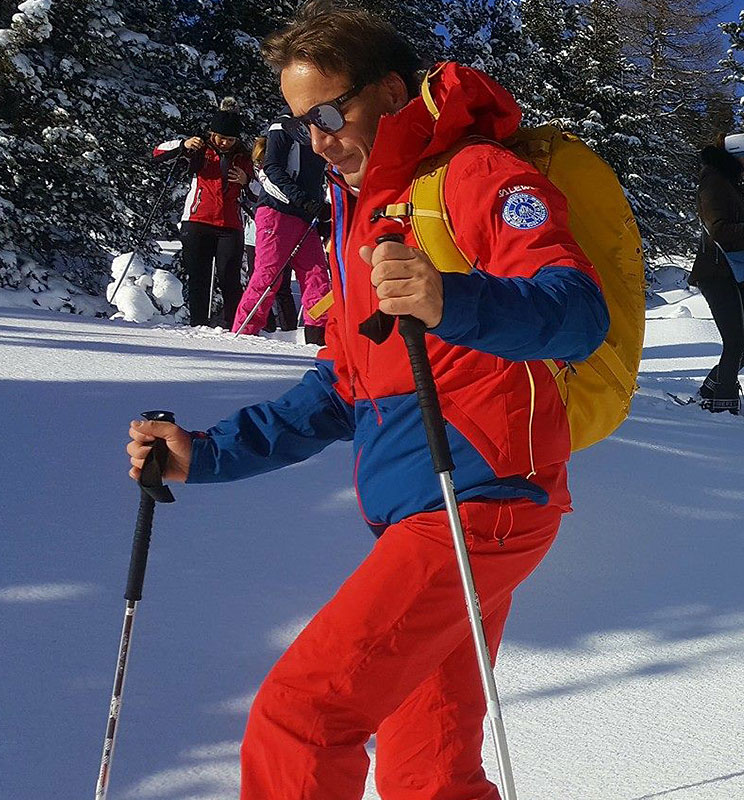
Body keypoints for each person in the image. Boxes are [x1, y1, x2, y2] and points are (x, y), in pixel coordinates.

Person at [123, 5, 609, 798]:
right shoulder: (362, 216)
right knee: (429, 768)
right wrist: (205, 454)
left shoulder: (475, 178)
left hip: (476, 504)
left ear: (388, 92)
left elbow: (579, 312)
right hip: (430, 511)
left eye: (327, 112)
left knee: (302, 717)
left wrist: (452, 299)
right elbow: (345, 387)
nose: (316, 140)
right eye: (298, 122)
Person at [152, 101, 253, 327]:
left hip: (230, 225)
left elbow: (257, 192)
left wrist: (247, 181)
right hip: (197, 221)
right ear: (212, 134)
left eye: (230, 139)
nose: (225, 143)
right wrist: (182, 144)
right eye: (220, 138)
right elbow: (157, 152)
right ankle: (198, 325)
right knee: (199, 277)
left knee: (230, 277)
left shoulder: (244, 158)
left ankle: (233, 325)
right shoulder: (200, 149)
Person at [232, 115, 331, 344]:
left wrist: (319, 208)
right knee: (269, 275)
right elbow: (273, 170)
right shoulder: (285, 123)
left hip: (306, 216)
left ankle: (318, 337)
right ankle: (243, 333)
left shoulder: (322, 123)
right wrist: (305, 201)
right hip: (277, 210)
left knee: (317, 276)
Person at [691, 132, 744, 413]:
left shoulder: (728, 183)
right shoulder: (714, 182)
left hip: (729, 270)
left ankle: (712, 389)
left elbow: (734, 234)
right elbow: (720, 231)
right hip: (714, 270)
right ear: (735, 156)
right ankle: (721, 406)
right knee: (737, 342)